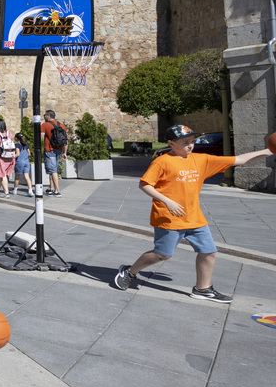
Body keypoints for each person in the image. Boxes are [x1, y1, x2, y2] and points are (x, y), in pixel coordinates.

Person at [113, 125, 272, 303]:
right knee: (162, 255)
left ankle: (202, 289)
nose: (190, 145)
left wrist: (270, 149)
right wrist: (167, 201)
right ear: (171, 143)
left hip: (194, 217)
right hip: (169, 218)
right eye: (185, 142)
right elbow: (144, 185)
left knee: (209, 251)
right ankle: (130, 272)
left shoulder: (201, 159)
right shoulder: (162, 161)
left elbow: (240, 160)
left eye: (192, 141)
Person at [40, 110, 66, 197]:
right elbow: (65, 140)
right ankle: (50, 188)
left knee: (53, 170)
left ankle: (57, 190)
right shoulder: (61, 125)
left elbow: (41, 137)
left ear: (48, 116)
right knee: (53, 169)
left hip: (49, 149)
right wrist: (64, 152)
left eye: (44, 115)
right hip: (59, 149)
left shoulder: (45, 125)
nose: (44, 117)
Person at [11, 132, 32, 196]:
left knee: (17, 177)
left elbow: (18, 154)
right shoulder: (26, 145)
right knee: (27, 177)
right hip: (26, 162)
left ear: (16, 138)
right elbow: (29, 154)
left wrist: (12, 157)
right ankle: (30, 191)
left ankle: (15, 190)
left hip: (19, 162)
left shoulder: (17, 145)